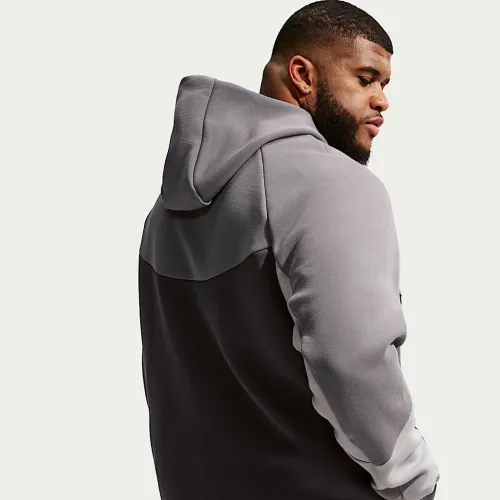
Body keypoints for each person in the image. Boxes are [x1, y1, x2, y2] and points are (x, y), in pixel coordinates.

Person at [138, 1, 440, 499]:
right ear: (302, 75)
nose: (382, 100)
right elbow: (352, 362)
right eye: (366, 78)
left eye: (386, 84)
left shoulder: (165, 212)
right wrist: (413, 478)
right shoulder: (332, 183)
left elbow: (168, 382)